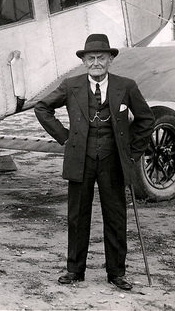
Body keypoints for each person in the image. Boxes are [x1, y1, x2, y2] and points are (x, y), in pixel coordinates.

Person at [34, 34, 154, 291]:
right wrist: (64, 137)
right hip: (81, 160)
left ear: (110, 60)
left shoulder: (127, 86)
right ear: (84, 61)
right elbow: (42, 108)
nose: (96, 63)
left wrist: (131, 152)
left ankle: (116, 273)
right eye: (91, 58)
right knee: (77, 216)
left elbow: (146, 119)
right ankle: (74, 270)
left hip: (113, 161)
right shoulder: (71, 85)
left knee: (115, 216)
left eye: (101, 58)